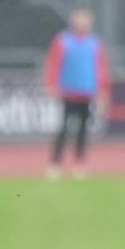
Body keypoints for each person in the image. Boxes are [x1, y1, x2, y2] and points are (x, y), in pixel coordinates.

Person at [43, 10, 112, 179]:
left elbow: (101, 67)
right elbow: (54, 63)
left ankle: (79, 163)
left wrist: (103, 89)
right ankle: (55, 163)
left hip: (87, 91)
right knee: (64, 128)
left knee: (83, 130)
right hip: (68, 91)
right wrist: (52, 84)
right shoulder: (63, 40)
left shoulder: (94, 43)